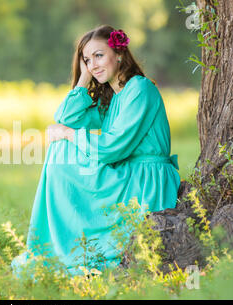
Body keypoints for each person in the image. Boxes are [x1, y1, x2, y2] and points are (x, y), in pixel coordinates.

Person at [11, 25, 180, 277]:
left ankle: (67, 248)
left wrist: (68, 134)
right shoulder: (113, 98)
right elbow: (66, 118)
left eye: (99, 56)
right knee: (60, 150)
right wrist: (82, 79)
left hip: (146, 181)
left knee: (63, 148)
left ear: (119, 54)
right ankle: (57, 246)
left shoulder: (140, 89)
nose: (93, 65)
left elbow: (111, 148)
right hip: (128, 173)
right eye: (87, 60)